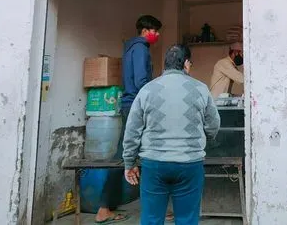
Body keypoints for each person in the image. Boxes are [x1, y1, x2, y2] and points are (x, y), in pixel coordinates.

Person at [123, 44, 221, 225]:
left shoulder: (147, 90)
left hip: (154, 164)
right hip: (190, 164)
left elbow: (132, 130)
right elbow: (213, 124)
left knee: (151, 219)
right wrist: (201, 139)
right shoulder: (200, 88)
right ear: (185, 64)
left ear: (165, 65)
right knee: (187, 220)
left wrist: (130, 162)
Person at [95, 15, 162, 224]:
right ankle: (104, 208)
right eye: (155, 31)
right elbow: (142, 80)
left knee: (129, 154)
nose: (157, 35)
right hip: (136, 106)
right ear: (145, 30)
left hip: (129, 105)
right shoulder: (141, 48)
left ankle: (149, 208)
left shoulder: (130, 48)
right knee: (132, 154)